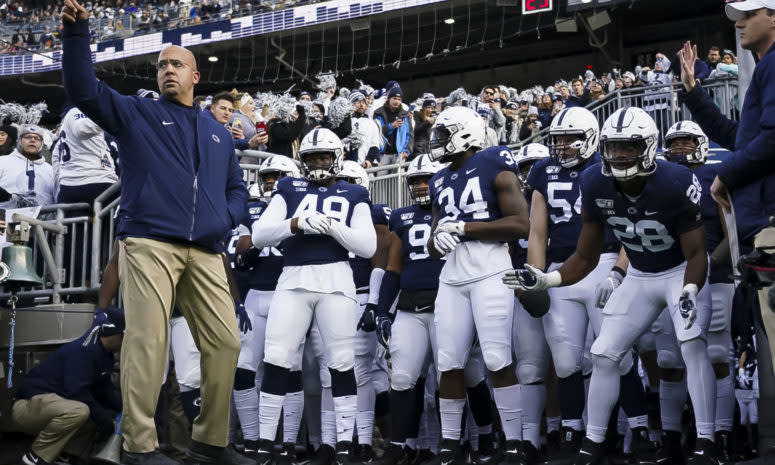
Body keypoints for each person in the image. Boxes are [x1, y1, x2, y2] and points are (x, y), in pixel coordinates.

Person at [61, 1, 249, 464]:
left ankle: (209, 443)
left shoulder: (219, 132)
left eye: (177, 64)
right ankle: (140, 447)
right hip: (148, 242)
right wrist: (77, 36)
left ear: (195, 77)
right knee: (148, 341)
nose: (167, 70)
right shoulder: (135, 114)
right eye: (162, 64)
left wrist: (223, 218)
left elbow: (236, 188)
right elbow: (84, 89)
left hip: (204, 250)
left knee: (226, 343)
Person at [504, 107, 720, 465]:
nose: (619, 155)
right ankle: (592, 443)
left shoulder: (676, 180)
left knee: (692, 344)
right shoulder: (595, 181)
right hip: (637, 275)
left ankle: (707, 441)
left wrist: (691, 288)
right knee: (604, 353)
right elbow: (586, 256)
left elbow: (697, 251)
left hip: (678, 270)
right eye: (614, 147)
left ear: (648, 148)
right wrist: (549, 278)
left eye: (629, 147)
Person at [251, 128, 376, 465]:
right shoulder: (288, 188)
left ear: (336, 159)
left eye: (324, 157)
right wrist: (296, 223)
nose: (319, 163)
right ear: (302, 161)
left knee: (340, 361)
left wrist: (332, 226)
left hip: (336, 279)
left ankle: (346, 445)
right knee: (277, 356)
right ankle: (266, 444)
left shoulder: (354, 193)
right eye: (312, 157)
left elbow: (367, 246)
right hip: (293, 279)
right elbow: (260, 234)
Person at [425, 106, 530, 465]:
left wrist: (465, 229)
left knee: (498, 358)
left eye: (444, 133)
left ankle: (514, 442)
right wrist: (436, 239)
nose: (437, 141)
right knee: (449, 362)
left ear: (467, 133)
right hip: (452, 277)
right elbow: (435, 234)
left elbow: (520, 224)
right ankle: (451, 445)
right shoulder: (438, 179)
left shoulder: (493, 162)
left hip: (490, 271)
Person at [677, 1, 775, 383]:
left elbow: (770, 142)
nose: (740, 24)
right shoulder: (766, 66)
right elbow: (741, 139)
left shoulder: (773, 64)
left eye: (750, 15)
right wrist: (693, 92)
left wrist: (725, 176)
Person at [663, 120, 737, 459]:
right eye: (673, 143)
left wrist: (713, 263)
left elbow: (730, 232)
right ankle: (672, 437)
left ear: (702, 144)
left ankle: (721, 434)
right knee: (670, 358)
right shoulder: (660, 180)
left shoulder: (712, 177)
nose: (679, 149)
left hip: (714, 271)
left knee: (718, 354)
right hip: (667, 274)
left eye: (686, 142)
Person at [12, 307, 125, 465]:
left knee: (94, 411)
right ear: (112, 333)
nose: (127, 338)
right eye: (124, 334)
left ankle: (64, 454)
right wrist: (103, 419)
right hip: (25, 407)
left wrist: (124, 409)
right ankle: (36, 456)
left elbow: (103, 391)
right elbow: (77, 392)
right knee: (82, 410)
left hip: (50, 406)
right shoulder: (83, 351)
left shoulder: (105, 354)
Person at [0, 124, 55, 208]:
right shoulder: (2, 162)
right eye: (28, 137)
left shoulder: (51, 170)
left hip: (42, 220)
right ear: (19, 140)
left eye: (37, 138)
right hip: (6, 219)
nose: (32, 140)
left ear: (42, 144)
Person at [373, 86, 413, 167]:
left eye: (399, 99)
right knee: (381, 179)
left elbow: (410, 134)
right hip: (382, 154)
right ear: (388, 98)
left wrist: (406, 151)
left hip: (399, 154)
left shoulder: (405, 114)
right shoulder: (378, 113)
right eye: (394, 98)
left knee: (398, 179)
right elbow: (376, 132)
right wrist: (392, 126)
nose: (397, 101)